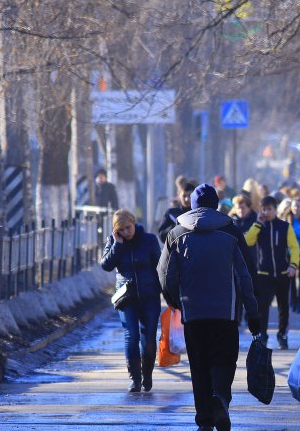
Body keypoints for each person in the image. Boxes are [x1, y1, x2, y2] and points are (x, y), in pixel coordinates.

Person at [158, 184, 261, 431]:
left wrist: (174, 301)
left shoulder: (176, 233)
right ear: (216, 204)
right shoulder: (231, 232)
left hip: (192, 313)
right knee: (225, 360)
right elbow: (244, 275)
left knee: (199, 365)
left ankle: (204, 419)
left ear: (192, 205)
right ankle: (221, 399)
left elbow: (164, 274)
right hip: (226, 313)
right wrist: (253, 312)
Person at [100, 209, 162, 393]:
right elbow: (106, 265)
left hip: (150, 295)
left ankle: (147, 375)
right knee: (131, 336)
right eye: (122, 230)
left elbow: (160, 267)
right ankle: (134, 379)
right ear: (116, 230)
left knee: (149, 338)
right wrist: (117, 245)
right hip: (126, 297)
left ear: (134, 223)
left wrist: (167, 292)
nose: (127, 232)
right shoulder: (113, 242)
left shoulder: (149, 240)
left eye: (128, 227)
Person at [245, 196, 300, 349]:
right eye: (264, 209)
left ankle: (282, 334)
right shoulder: (258, 226)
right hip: (263, 274)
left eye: (269, 209)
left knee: (284, 307)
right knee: (262, 307)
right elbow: (248, 241)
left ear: (275, 209)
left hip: (282, 273)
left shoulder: (284, 227)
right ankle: (263, 334)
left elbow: (294, 247)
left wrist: (293, 265)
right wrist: (257, 224)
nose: (266, 212)